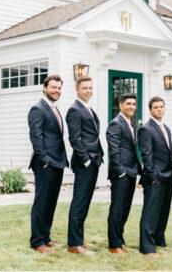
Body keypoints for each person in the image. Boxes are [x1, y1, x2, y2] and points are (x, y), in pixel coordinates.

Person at [27, 75, 67, 254]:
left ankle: (46, 236)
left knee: (51, 202)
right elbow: (36, 136)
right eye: (53, 87)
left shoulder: (54, 109)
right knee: (42, 202)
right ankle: (37, 241)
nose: (56, 90)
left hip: (57, 162)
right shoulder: (38, 109)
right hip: (45, 163)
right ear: (44, 88)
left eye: (59, 88)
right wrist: (44, 160)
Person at [65, 76, 103, 255]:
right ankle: (74, 244)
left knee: (85, 202)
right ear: (77, 89)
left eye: (90, 87)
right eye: (85, 88)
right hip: (84, 163)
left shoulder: (87, 108)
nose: (88, 91)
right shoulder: (74, 110)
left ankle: (79, 239)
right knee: (79, 202)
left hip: (94, 161)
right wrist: (86, 159)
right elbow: (74, 138)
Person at [138, 96, 172, 256]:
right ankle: (147, 247)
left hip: (168, 176)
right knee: (151, 212)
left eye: (161, 106)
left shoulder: (166, 128)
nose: (159, 109)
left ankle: (159, 240)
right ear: (150, 110)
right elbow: (146, 155)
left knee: (163, 211)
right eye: (156, 107)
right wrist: (153, 176)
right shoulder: (146, 129)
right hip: (155, 177)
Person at [105, 93, 140, 255]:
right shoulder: (116, 124)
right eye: (128, 104)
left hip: (131, 172)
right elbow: (114, 150)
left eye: (133, 104)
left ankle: (120, 238)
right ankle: (114, 244)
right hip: (121, 173)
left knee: (125, 208)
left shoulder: (129, 124)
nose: (131, 107)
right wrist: (121, 172)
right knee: (117, 208)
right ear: (120, 105)